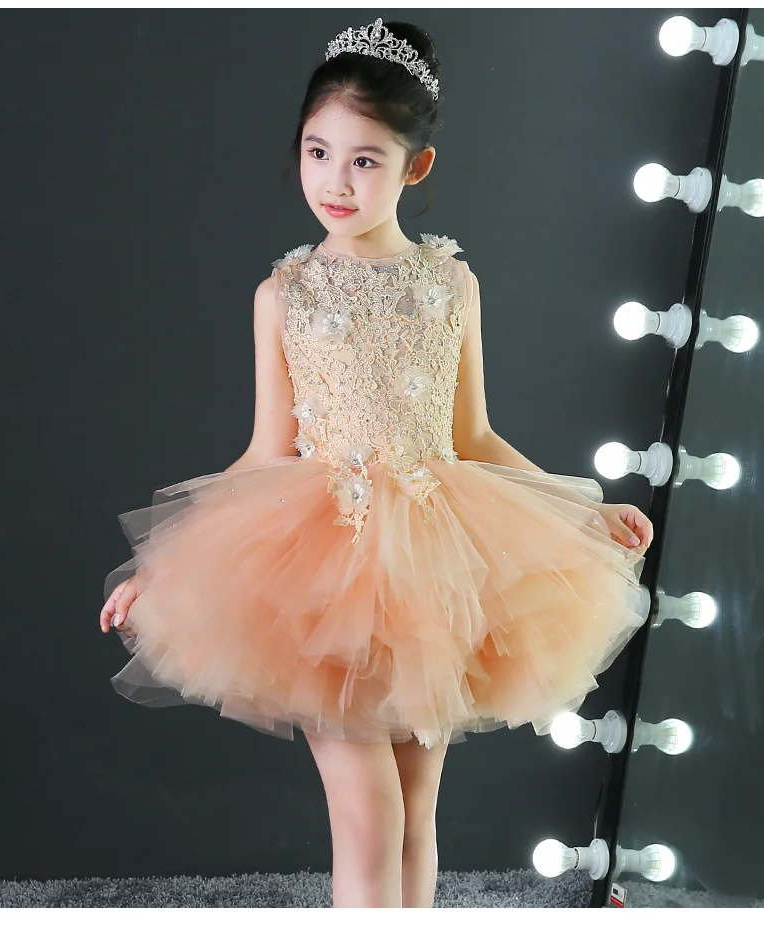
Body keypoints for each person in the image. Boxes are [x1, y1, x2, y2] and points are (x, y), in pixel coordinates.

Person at [99, 17, 654, 908]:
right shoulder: (283, 294)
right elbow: (266, 451)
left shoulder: (450, 283)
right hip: (326, 573)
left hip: (436, 565)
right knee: (369, 815)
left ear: (415, 167)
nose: (335, 181)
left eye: (365, 160)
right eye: (318, 153)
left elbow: (473, 436)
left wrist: (581, 511)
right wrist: (163, 569)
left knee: (416, 811)